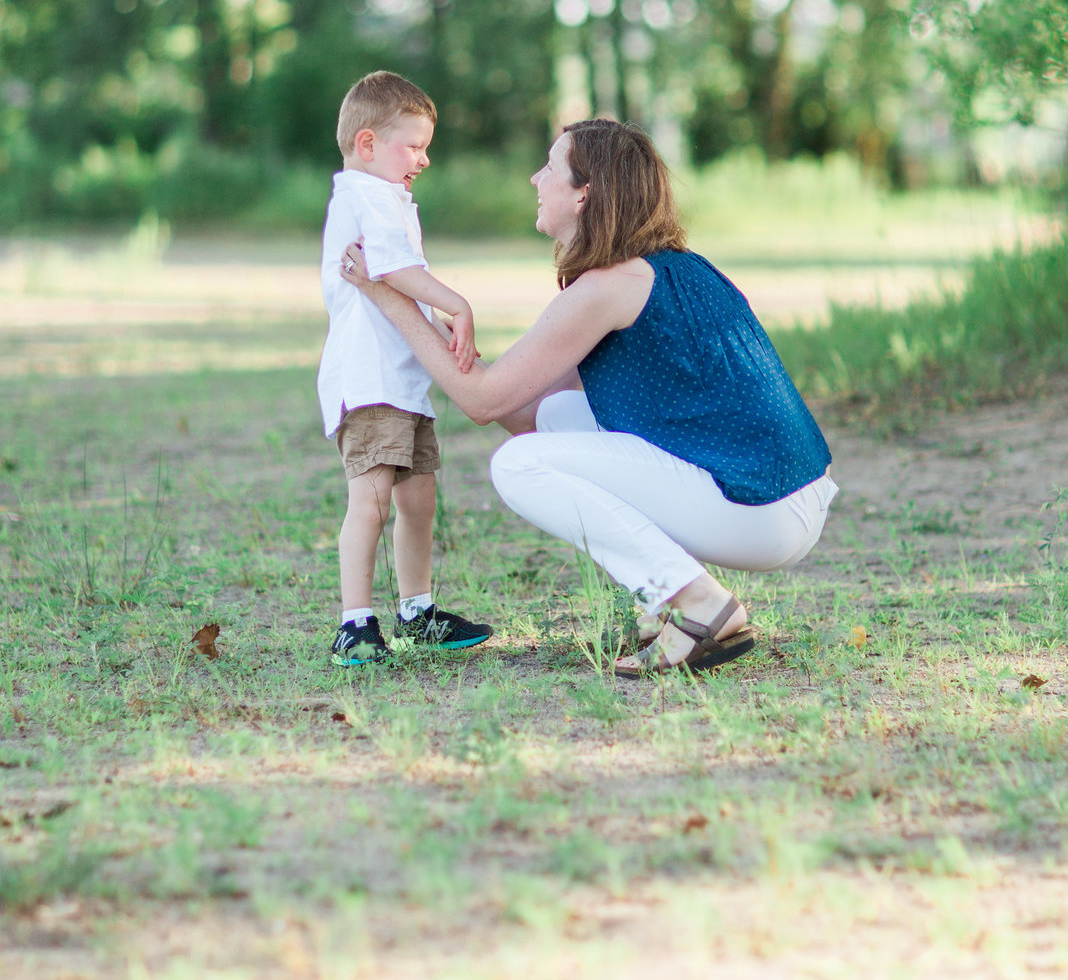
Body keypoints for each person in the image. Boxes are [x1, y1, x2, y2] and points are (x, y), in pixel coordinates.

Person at [342, 117, 836, 675]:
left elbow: (480, 404)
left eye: (550, 167)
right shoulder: (672, 270)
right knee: (558, 415)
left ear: (585, 194)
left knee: (518, 467)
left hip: (760, 510)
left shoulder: (609, 288)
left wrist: (388, 297)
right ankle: (668, 602)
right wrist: (432, 314)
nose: (535, 178)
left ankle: (698, 603)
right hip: (787, 498)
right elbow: (517, 406)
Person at [318, 69, 493, 667]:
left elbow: (396, 280)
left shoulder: (384, 196)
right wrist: (457, 304)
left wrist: (433, 318)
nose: (422, 159)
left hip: (404, 381)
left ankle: (417, 612)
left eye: (426, 148)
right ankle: (354, 622)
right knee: (370, 501)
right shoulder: (366, 192)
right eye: (413, 146)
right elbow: (391, 271)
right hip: (370, 381)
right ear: (368, 144)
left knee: (419, 500)